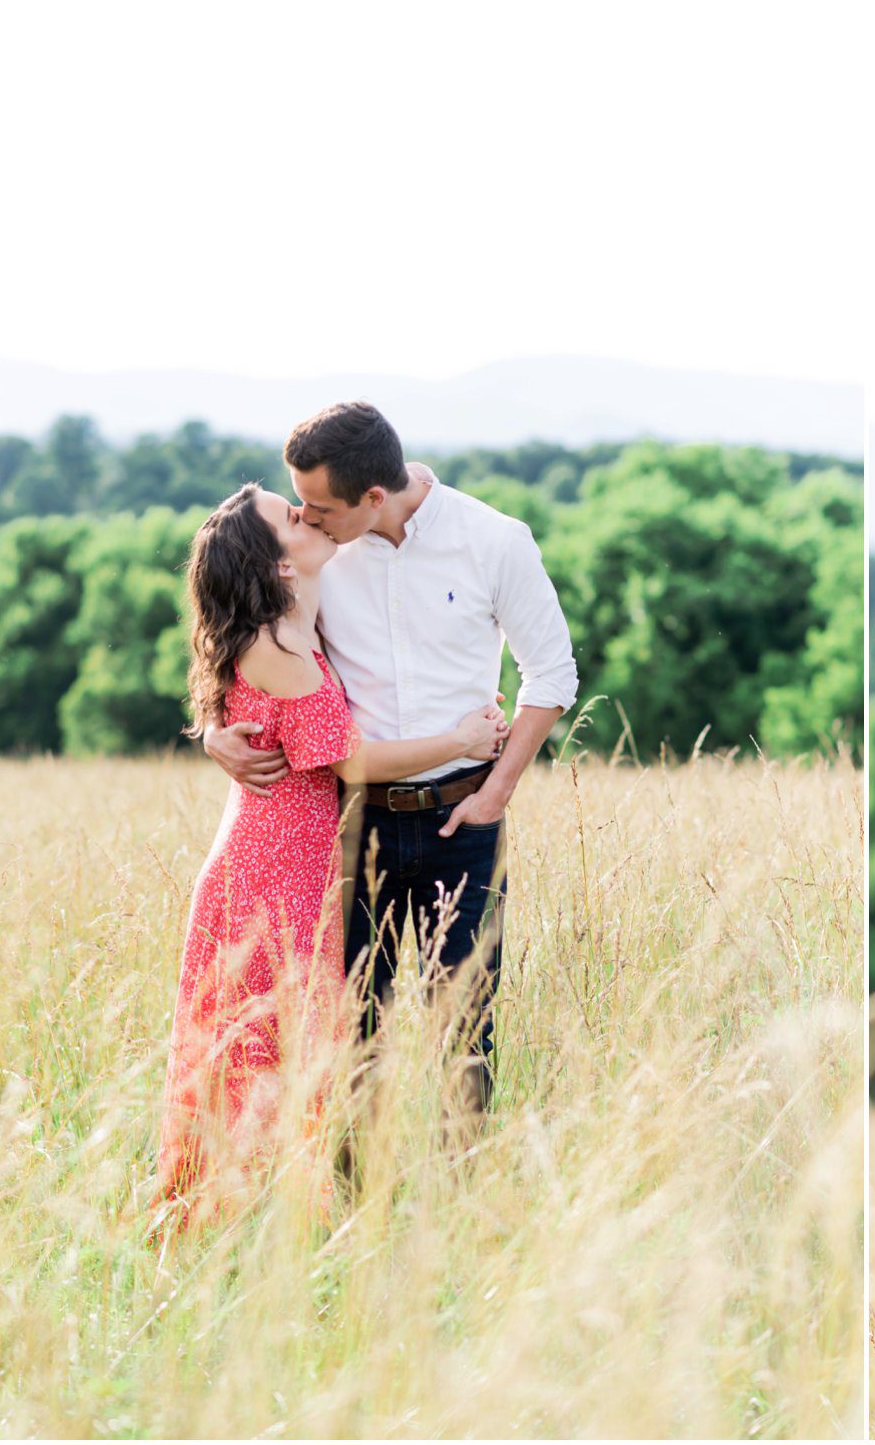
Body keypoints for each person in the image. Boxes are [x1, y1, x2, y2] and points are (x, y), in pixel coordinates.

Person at [203, 402, 578, 1142]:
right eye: (300, 504)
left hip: (462, 819)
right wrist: (214, 730)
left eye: (320, 506)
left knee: (464, 1030)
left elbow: (552, 675)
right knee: (346, 1031)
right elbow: (243, 634)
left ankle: (464, 1209)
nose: (307, 519)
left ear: (375, 495)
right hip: (345, 825)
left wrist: (495, 796)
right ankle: (353, 1213)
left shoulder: (493, 540)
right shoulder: (315, 556)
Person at [158, 484, 508, 1227]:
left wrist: (214, 732)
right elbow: (348, 761)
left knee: (285, 1053)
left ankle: (277, 1226)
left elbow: (240, 708)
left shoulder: (291, 630)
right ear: (278, 564)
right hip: (270, 872)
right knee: (263, 1056)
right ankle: (234, 1228)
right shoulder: (278, 646)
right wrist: (462, 743)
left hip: (293, 864)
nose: (308, 514)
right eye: (291, 516)